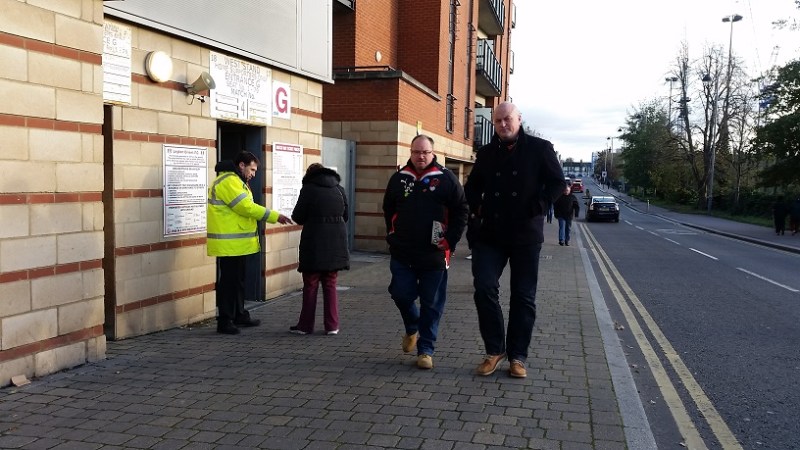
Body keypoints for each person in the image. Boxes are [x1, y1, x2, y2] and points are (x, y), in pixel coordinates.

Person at [464, 102, 566, 378]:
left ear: (519, 120)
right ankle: (495, 350)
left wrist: (539, 207)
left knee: (523, 297)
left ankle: (518, 356)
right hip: (491, 234)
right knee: (484, 287)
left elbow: (558, 183)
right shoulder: (486, 154)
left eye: (507, 119)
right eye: (497, 121)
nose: (502, 125)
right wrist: (477, 207)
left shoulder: (540, 148)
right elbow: (471, 186)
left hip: (525, 234)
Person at [382, 134, 469, 370]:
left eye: (425, 152)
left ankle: (426, 350)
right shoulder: (399, 178)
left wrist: (450, 240)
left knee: (431, 304)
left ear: (433, 153)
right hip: (403, 253)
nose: (420, 156)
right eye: (416, 152)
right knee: (401, 294)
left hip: (434, 255)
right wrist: (391, 234)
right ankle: (412, 327)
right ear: (410, 153)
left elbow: (461, 211)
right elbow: (388, 208)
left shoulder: (446, 178)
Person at [207, 151, 293, 335]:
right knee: (229, 283)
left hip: (238, 244)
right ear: (241, 165)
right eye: (252, 169)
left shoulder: (237, 182)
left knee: (238, 281)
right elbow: (246, 207)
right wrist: (274, 216)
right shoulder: (228, 181)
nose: (253, 174)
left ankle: (239, 315)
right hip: (229, 245)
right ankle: (225, 321)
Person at [289, 163, 350, 335]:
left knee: (311, 284)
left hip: (314, 242)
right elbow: (345, 216)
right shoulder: (339, 189)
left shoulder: (309, 189)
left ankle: (305, 325)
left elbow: (298, 216)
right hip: (336, 243)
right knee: (330, 284)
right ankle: (332, 326)